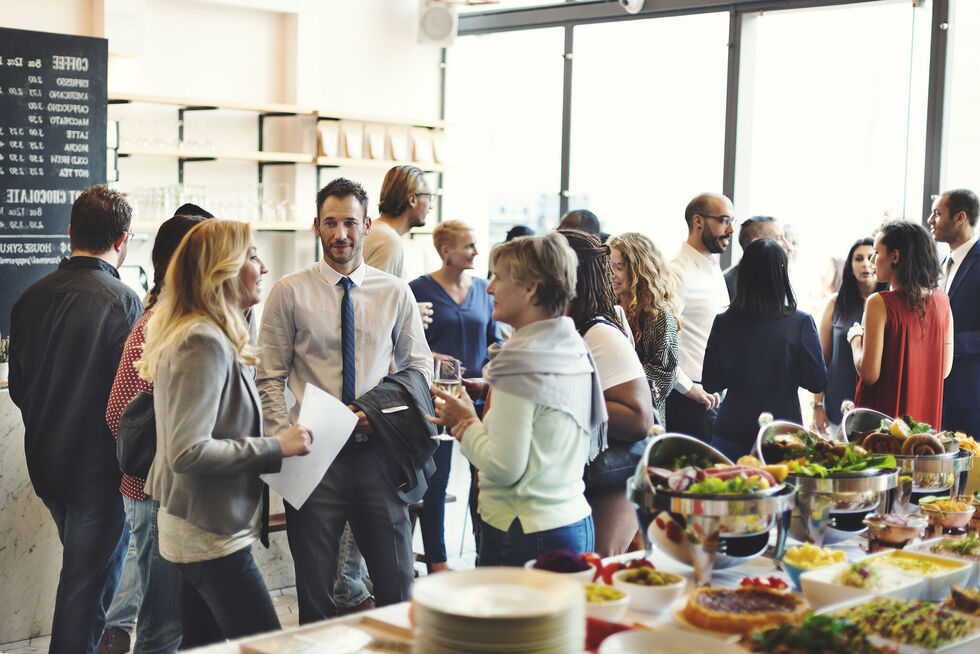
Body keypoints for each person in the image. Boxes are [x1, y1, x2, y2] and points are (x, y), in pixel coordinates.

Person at [257, 177, 433, 622]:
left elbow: (419, 369)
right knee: (316, 599)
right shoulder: (288, 292)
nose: (341, 235)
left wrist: (381, 414)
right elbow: (269, 377)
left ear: (367, 225)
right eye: (331, 223)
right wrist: (285, 440)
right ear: (316, 226)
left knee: (396, 590)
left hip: (379, 454)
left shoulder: (395, 292)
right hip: (313, 458)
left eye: (350, 223)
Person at [136, 220, 312, 642]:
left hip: (199, 527)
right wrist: (276, 446)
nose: (264, 267)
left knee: (205, 646)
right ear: (223, 270)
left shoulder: (205, 331)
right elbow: (187, 450)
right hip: (209, 534)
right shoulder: (203, 340)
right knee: (268, 643)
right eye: (252, 255)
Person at [8, 185, 142, 654]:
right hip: (99, 476)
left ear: (70, 232)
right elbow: (131, 405)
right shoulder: (125, 302)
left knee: (82, 581)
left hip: (46, 468)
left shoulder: (28, 298)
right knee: (83, 596)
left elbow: (20, 390)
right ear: (122, 240)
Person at [428, 233, 606, 566]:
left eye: (498, 276)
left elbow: (504, 467)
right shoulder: (572, 345)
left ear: (531, 289)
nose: (489, 287)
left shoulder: (520, 360)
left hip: (524, 529)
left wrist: (464, 421)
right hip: (573, 521)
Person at [102, 214, 209, 654]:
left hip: (171, 492)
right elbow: (119, 414)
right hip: (153, 492)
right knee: (162, 625)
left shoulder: (183, 320)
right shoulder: (156, 324)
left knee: (172, 617)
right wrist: (167, 464)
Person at [408, 220, 500, 573]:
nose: (477, 252)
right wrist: (430, 358)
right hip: (438, 398)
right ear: (446, 250)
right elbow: (402, 342)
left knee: (486, 478)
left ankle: (485, 555)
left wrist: (493, 377)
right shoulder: (418, 290)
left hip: (480, 397)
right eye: (469, 245)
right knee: (436, 480)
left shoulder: (483, 289)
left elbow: (496, 341)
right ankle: (438, 559)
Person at [560, 229, 653, 556]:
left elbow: (640, 418)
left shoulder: (599, 332)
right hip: (589, 476)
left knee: (597, 572)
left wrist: (563, 399)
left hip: (610, 476)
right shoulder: (573, 326)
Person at [702, 239, 827, 460]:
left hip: (732, 428)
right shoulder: (800, 323)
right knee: (782, 492)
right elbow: (817, 382)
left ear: (745, 273)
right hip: (783, 432)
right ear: (783, 272)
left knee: (731, 492)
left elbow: (712, 382)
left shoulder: (724, 321)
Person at [850, 221, 954, 428]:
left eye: (876, 253)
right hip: (923, 421)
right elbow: (944, 370)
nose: (872, 260)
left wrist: (854, 339)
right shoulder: (943, 302)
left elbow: (870, 374)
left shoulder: (879, 303)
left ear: (895, 257)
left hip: (884, 422)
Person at [666, 193, 732, 441]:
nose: (731, 229)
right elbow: (661, 342)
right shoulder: (676, 272)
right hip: (688, 400)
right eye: (724, 220)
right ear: (698, 221)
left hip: (716, 396)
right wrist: (688, 387)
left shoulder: (714, 269)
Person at [811, 238, 886, 436]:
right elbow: (820, 360)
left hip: (879, 407)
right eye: (858, 258)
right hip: (838, 406)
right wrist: (817, 405)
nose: (865, 263)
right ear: (850, 266)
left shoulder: (890, 304)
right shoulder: (835, 304)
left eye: (871, 257)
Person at [608, 232, 679, 421]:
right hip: (610, 407)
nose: (611, 274)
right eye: (609, 267)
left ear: (639, 270)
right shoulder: (606, 306)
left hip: (644, 415)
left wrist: (619, 379)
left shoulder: (658, 314)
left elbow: (664, 375)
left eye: (619, 268)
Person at [929, 189, 980, 437]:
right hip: (936, 392)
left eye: (937, 214)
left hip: (970, 396)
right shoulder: (940, 262)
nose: (930, 220)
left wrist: (946, 343)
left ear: (960, 218)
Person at [364, 164, 434, 279]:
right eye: (429, 197)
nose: (431, 206)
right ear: (412, 200)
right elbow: (381, 295)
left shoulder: (376, 231)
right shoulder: (388, 240)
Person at [723, 216, 784, 301]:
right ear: (757, 243)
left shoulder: (778, 278)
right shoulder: (728, 285)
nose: (787, 246)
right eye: (779, 238)